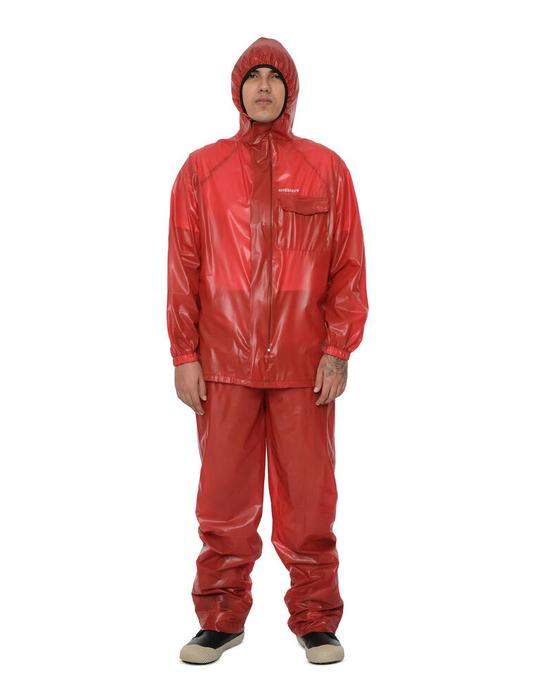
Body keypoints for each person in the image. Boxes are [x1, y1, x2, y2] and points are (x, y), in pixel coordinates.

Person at [167, 36, 369, 665]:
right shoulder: (201, 169)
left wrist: (338, 348)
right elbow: (184, 264)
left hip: (304, 366)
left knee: (309, 499)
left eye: (273, 77)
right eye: (252, 77)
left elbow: (348, 266)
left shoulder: (326, 168)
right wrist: (184, 353)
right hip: (224, 363)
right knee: (223, 500)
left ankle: (316, 619)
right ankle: (220, 618)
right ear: (237, 90)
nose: (262, 86)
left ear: (290, 90)